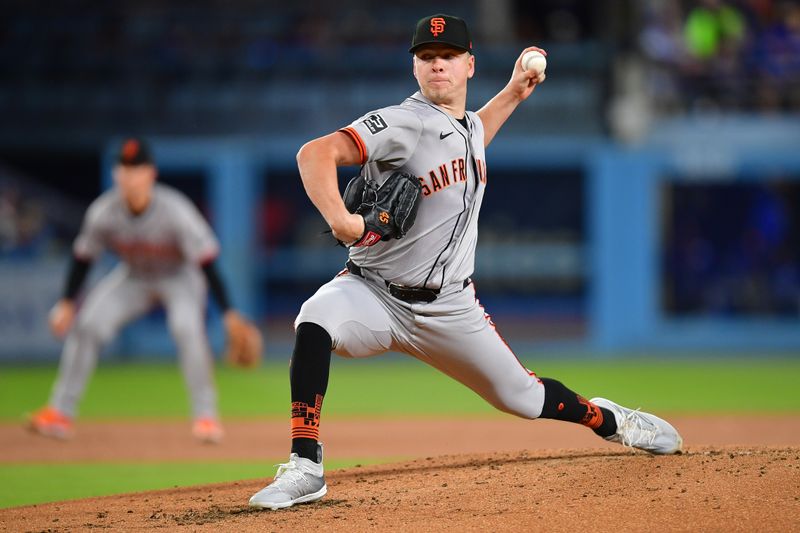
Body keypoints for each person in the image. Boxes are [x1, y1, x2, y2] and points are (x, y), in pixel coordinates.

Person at [249, 14, 683, 510]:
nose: (438, 67)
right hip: (372, 291)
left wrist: (516, 91)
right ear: (414, 67)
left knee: (523, 398)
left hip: (451, 309)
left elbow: (474, 132)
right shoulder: (402, 122)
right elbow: (314, 154)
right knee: (314, 318)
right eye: (427, 58)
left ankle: (610, 420)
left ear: (469, 65)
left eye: (449, 57)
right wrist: (343, 220)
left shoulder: (466, 126)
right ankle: (306, 465)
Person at [28, 137, 256, 443]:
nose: (129, 175)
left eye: (136, 168)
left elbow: (207, 263)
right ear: (115, 175)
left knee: (186, 329)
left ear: (151, 174)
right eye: (123, 168)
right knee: (88, 326)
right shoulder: (103, 212)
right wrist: (68, 302)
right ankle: (59, 413)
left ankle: (206, 416)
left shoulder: (176, 211)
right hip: (133, 277)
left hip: (180, 278)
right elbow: (83, 258)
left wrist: (228, 312)